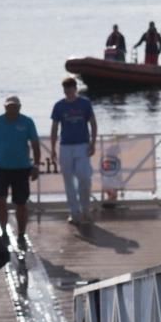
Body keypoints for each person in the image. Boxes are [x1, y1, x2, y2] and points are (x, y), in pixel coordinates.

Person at [0, 95, 41, 251]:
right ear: (4, 107)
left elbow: (35, 144)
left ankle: (21, 234)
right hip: (1, 169)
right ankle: (3, 231)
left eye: (14, 107)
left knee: (21, 204)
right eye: (9, 107)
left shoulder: (27, 122)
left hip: (22, 169)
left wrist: (36, 165)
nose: (12, 110)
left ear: (19, 107)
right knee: (0, 200)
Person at [50, 77, 97, 225]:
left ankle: (86, 209)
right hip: (65, 146)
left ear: (75, 88)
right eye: (66, 88)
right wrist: (52, 147)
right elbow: (55, 127)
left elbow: (93, 123)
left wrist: (93, 143)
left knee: (84, 177)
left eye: (70, 88)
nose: (68, 91)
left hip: (82, 145)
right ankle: (74, 212)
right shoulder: (59, 106)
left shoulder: (85, 103)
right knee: (68, 180)